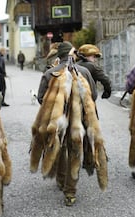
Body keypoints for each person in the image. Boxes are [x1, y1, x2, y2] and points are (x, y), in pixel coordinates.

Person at [37, 41, 98, 206]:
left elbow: (41, 97)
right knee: (75, 150)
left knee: (60, 147)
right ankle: (70, 192)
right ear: (70, 54)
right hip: (79, 120)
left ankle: (61, 179)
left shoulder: (50, 73)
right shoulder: (84, 71)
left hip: (57, 119)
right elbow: (94, 95)